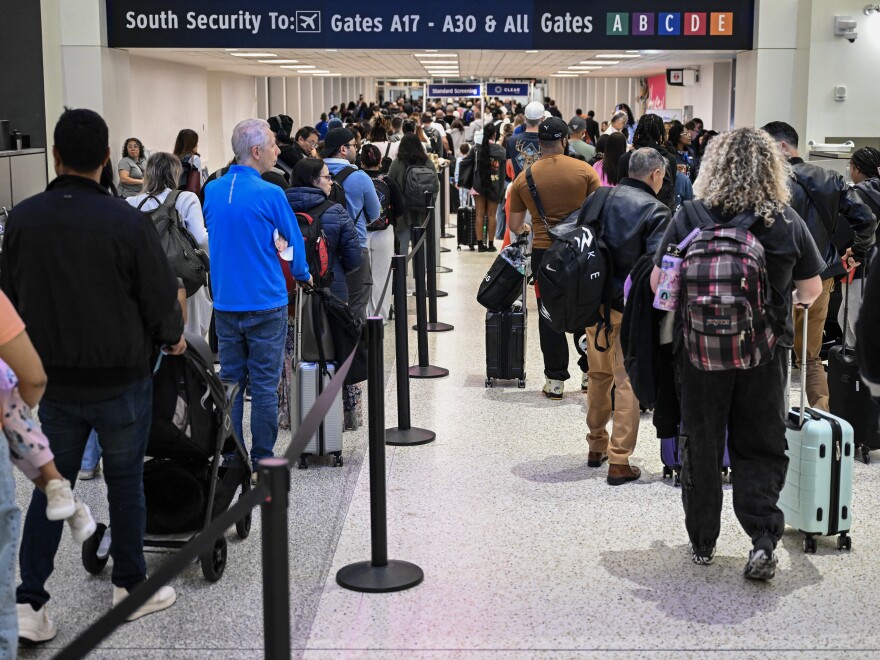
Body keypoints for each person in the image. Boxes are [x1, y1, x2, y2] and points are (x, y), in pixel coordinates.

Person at [2, 108, 185, 642]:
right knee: (127, 485)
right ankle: (130, 587)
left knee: (48, 488)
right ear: (108, 158)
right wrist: (171, 334)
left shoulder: (23, 220)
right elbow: (158, 301)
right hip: (122, 380)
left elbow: (7, 300)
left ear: (55, 156)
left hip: (51, 382)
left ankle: (30, 603)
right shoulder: (126, 222)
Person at [650, 127, 825, 580]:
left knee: (702, 444)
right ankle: (763, 540)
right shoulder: (785, 221)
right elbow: (811, 289)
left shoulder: (690, 216)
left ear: (713, 167)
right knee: (761, 444)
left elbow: (659, 288)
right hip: (766, 355)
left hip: (699, 351)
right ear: (773, 169)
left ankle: (703, 542)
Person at [203, 118, 311, 477]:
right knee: (264, 386)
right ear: (255, 151)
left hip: (225, 304)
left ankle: (234, 455)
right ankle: (263, 457)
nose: (278, 151)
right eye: (272, 146)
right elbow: (294, 241)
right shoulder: (270, 193)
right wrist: (303, 275)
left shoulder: (214, 190)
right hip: (266, 302)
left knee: (231, 381)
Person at [762, 121, 875, 411]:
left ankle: (774, 426)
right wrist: (857, 252)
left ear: (782, 147)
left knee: (774, 353)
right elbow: (866, 220)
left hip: (777, 279)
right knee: (811, 358)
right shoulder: (831, 178)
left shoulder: (767, 182)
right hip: (820, 277)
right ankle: (823, 421)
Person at [583, 148, 670, 485]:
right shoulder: (656, 210)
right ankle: (619, 460)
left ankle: (595, 446)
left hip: (593, 302)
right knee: (627, 380)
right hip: (629, 308)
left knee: (598, 375)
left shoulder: (598, 197)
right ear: (656, 174)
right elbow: (658, 269)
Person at [508, 117, 601, 399]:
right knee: (586, 310)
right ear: (564, 140)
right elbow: (596, 214)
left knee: (549, 313)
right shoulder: (585, 171)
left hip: (544, 253)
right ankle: (589, 372)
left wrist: (532, 227)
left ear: (540, 143)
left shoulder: (524, 178)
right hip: (581, 250)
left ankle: (555, 380)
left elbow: (514, 226)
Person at [279, 158, 362, 428]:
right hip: (331, 294)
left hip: (288, 295)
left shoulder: (279, 210)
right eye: (327, 177)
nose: (331, 182)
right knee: (335, 348)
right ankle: (341, 416)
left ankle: (292, 415)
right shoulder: (336, 211)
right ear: (314, 181)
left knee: (291, 353)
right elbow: (353, 259)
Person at [127, 152, 212, 337]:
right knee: (191, 337)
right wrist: (207, 264)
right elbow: (201, 238)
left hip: (147, 281)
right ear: (175, 173)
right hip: (185, 277)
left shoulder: (131, 203)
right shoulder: (186, 198)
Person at [320, 127, 381, 323]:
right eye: (355, 145)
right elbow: (374, 213)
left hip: (321, 248)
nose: (357, 149)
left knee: (326, 303)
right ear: (343, 149)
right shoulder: (360, 177)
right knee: (357, 301)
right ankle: (356, 350)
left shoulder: (314, 173)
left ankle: (330, 349)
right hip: (356, 245)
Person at [841, 147, 880, 346]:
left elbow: (844, 231)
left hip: (861, 266)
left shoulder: (857, 195)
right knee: (846, 317)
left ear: (856, 168)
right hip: (873, 267)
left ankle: (864, 371)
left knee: (854, 322)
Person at [360, 144, 404, 318]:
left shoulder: (357, 179)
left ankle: (363, 314)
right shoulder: (388, 182)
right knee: (382, 275)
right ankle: (381, 315)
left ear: (361, 161)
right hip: (384, 232)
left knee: (362, 277)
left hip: (361, 231)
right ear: (380, 161)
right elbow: (400, 208)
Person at [388, 133, 439, 259]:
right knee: (420, 249)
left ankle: (402, 277)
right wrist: (428, 204)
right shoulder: (427, 163)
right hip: (422, 214)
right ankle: (421, 276)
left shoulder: (397, 163)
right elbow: (435, 186)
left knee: (402, 250)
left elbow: (389, 185)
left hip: (402, 215)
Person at [619, 114, 679, 210]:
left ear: (639, 131)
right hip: (661, 213)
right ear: (661, 133)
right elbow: (672, 189)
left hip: (630, 210)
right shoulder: (669, 159)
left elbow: (621, 188)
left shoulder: (626, 158)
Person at [468, 123, 507, 252]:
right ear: (494, 135)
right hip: (494, 185)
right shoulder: (500, 151)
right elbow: (502, 172)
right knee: (492, 215)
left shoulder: (476, 149)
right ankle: (490, 244)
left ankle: (480, 245)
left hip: (478, 185)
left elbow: (465, 163)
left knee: (479, 214)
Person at [507, 101, 543, 180]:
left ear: (525, 118)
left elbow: (509, 171)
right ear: (542, 119)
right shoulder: (548, 142)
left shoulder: (511, 141)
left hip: (519, 189)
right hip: (541, 189)